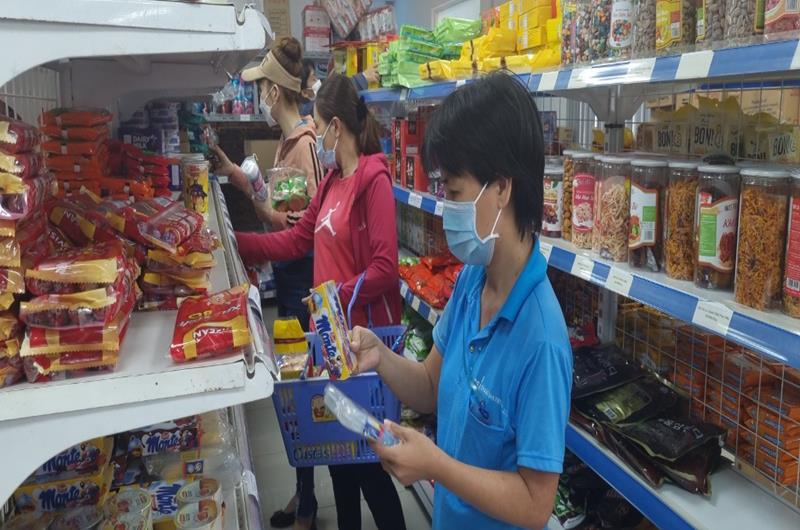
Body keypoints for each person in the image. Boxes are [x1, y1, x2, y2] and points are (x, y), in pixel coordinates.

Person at [349, 72, 573, 529]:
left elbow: (536, 505)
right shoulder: (473, 279)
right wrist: (381, 358)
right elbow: (430, 385)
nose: (445, 205)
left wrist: (435, 465)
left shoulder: (542, 339)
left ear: (502, 188)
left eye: (453, 192)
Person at [235, 72, 406, 530]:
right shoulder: (331, 180)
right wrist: (239, 244)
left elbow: (386, 268)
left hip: (362, 345)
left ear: (336, 126)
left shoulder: (373, 180)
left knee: (369, 467)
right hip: (328, 344)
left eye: (318, 122)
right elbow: (295, 240)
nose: (316, 134)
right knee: (339, 463)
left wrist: (333, 296)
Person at [210, 37, 323, 530]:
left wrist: (253, 227)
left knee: (299, 388)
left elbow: (295, 229)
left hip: (300, 280)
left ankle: (310, 504)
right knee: (295, 387)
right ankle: (305, 494)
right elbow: (281, 208)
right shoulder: (290, 142)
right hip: (292, 275)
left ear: (275, 92)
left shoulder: (303, 148)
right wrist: (240, 177)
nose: (259, 96)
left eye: (261, 88)